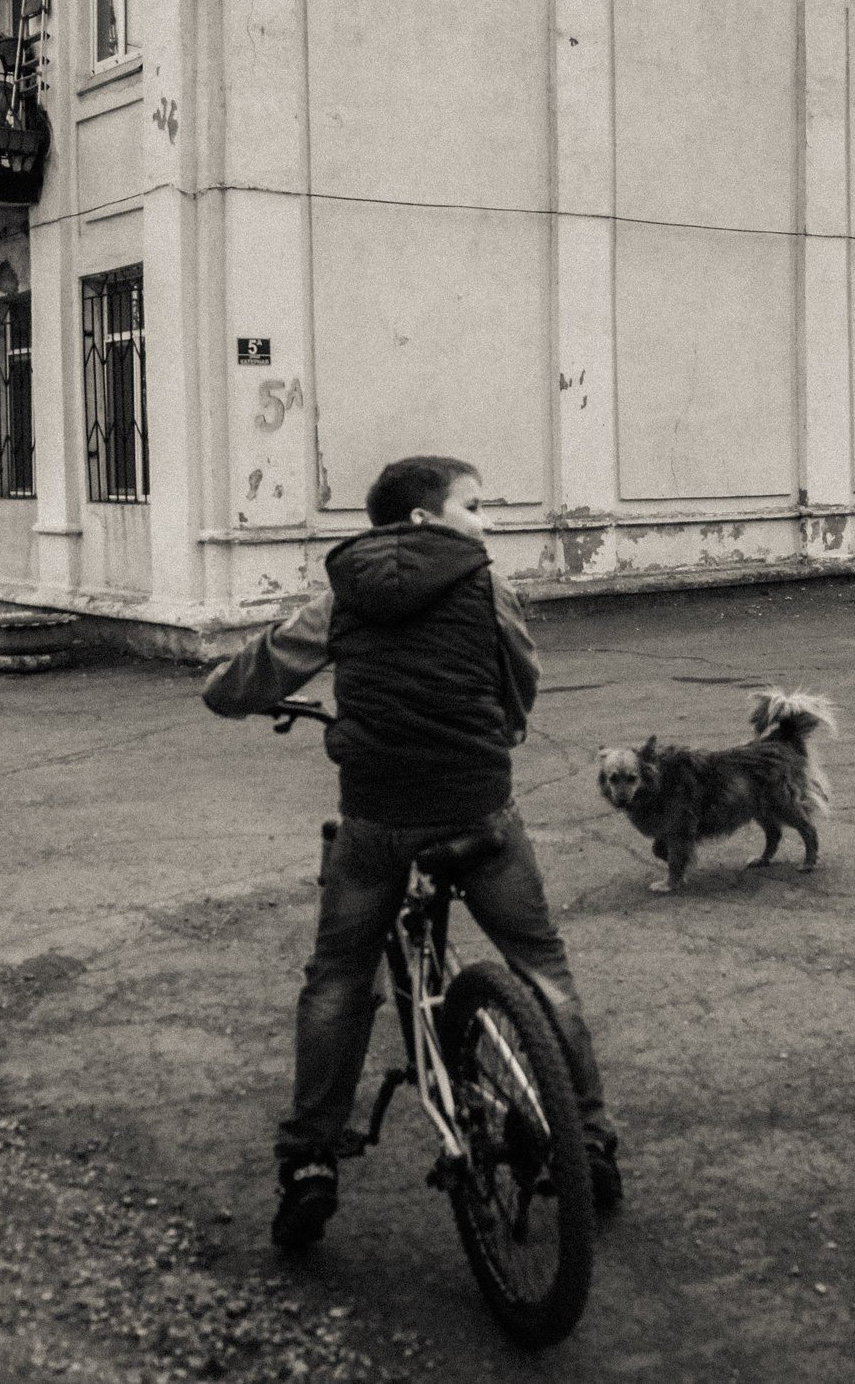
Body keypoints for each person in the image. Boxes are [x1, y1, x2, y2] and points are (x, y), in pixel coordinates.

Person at [202, 454, 622, 1249]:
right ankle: (590, 1143)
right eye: (474, 504)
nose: (485, 520)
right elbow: (520, 677)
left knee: (337, 980)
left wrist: (224, 692)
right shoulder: (486, 584)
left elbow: (251, 676)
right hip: (476, 807)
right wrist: (500, 728)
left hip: (378, 818)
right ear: (426, 518)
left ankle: (309, 1164)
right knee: (542, 969)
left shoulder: (344, 594)